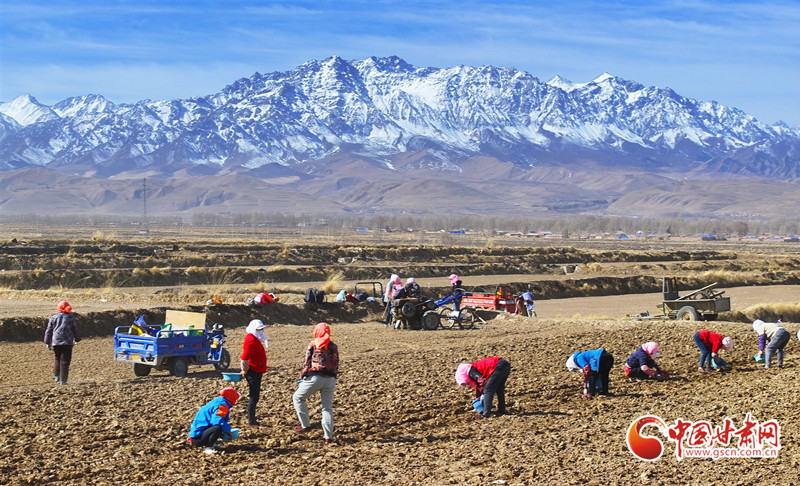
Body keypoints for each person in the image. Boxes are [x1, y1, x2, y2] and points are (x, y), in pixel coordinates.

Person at [293, 322, 339, 444]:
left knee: (298, 397)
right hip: (330, 379)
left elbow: (307, 362)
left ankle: (305, 425)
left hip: (315, 377)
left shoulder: (314, 344)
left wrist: (303, 378)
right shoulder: (333, 346)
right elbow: (336, 363)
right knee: (327, 408)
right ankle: (328, 437)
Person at [189, 387, 241, 454]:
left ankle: (212, 444)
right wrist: (228, 430)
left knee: (220, 427)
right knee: (218, 428)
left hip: (197, 434)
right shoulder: (222, 405)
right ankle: (209, 447)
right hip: (197, 438)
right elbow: (217, 421)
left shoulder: (218, 401)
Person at [43, 301, 81, 386]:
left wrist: (47, 342)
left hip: (56, 341)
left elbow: (48, 331)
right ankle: (63, 381)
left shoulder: (53, 318)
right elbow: (75, 329)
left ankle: (57, 376)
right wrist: (77, 339)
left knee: (57, 358)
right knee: (65, 361)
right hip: (67, 342)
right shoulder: (70, 318)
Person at [240, 319, 268, 426]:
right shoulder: (251, 340)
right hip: (254, 371)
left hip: (256, 369)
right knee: (254, 396)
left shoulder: (253, 338)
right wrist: (244, 370)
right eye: (258, 329)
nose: (260, 331)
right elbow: (244, 358)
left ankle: (252, 419)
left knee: (255, 395)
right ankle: (251, 421)